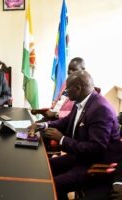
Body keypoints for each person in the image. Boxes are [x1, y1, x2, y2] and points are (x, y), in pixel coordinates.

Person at [28, 70, 122, 200]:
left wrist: (62, 140)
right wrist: (44, 125)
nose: (65, 92)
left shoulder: (100, 109)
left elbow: (96, 148)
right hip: (80, 156)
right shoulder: (81, 101)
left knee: (52, 185)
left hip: (96, 164)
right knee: (43, 167)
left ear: (78, 88)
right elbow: (66, 121)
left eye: (68, 88)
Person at [31, 57, 85, 121]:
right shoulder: (66, 82)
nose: (70, 72)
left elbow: (78, 113)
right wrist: (45, 111)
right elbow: (58, 103)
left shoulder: (84, 89)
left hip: (63, 121)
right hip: (52, 117)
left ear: (83, 70)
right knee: (31, 126)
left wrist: (56, 114)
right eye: (69, 69)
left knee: (38, 128)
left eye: (74, 69)